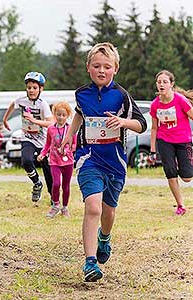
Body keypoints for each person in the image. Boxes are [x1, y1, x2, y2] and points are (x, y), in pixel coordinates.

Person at [60, 42, 147, 282]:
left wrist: (122, 123)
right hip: (89, 158)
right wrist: (69, 135)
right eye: (96, 66)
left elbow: (142, 124)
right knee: (93, 207)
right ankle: (90, 263)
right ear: (88, 68)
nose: (101, 70)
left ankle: (105, 238)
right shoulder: (81, 94)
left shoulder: (121, 95)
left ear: (115, 69)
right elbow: (79, 113)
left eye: (107, 67)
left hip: (115, 163)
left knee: (108, 212)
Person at [3, 72, 53, 204]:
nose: (31, 90)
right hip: (28, 137)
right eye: (29, 87)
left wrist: (35, 121)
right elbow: (12, 105)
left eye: (34, 88)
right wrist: (5, 120)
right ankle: (37, 183)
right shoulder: (21, 100)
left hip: (43, 141)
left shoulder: (43, 105)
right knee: (26, 161)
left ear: (41, 89)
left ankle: (53, 197)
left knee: (47, 169)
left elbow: (51, 123)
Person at [149, 69, 193, 215]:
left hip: (183, 140)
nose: (161, 84)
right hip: (164, 140)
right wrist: (153, 151)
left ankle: (184, 163)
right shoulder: (155, 105)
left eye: (165, 82)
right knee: (170, 172)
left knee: (187, 177)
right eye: (159, 82)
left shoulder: (180, 100)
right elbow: (154, 128)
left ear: (171, 84)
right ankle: (180, 205)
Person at [37, 101, 77, 218]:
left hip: (68, 161)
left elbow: (74, 145)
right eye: (58, 114)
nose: (61, 117)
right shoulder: (50, 129)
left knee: (66, 186)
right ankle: (55, 205)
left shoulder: (71, 129)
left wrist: (68, 150)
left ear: (68, 116)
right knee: (56, 184)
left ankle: (64, 207)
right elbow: (48, 144)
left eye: (63, 115)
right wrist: (42, 154)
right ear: (55, 115)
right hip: (54, 161)